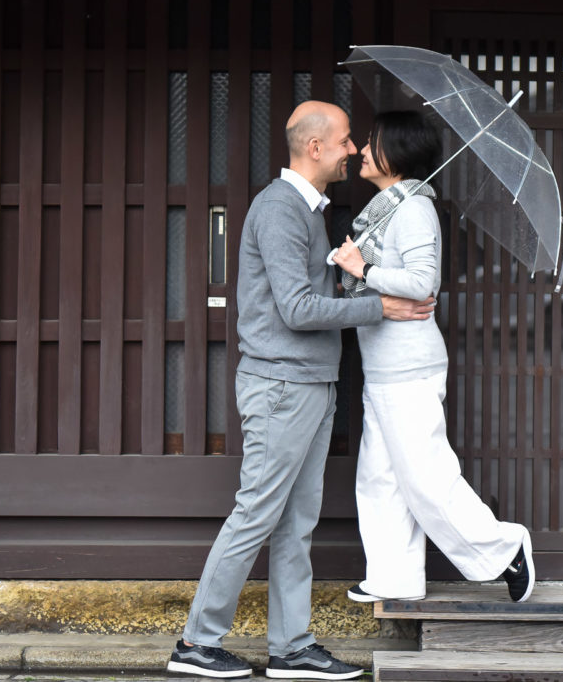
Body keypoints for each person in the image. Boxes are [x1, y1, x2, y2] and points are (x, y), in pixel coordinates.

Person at [166, 101, 435, 681]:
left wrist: (351, 271)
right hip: (281, 385)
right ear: (315, 147)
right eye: (343, 141)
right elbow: (295, 309)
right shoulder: (281, 209)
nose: (353, 151)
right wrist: (378, 306)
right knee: (256, 514)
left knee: (295, 524)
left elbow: (307, 295)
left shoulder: (308, 211)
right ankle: (197, 642)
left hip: (309, 384)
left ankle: (292, 647)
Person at [331, 110, 534, 606]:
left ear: (396, 152)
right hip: (382, 366)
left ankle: (505, 549)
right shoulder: (384, 209)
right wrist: (355, 266)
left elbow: (424, 283)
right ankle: (394, 576)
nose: (360, 150)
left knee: (425, 476)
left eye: (371, 142)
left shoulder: (414, 209)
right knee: (379, 476)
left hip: (409, 368)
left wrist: (365, 266)